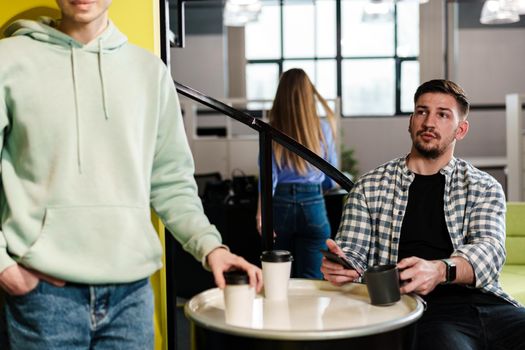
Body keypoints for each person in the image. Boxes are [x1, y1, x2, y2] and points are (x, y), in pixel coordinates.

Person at [0, 1, 262, 348]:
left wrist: (211, 247)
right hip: (42, 296)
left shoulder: (149, 71)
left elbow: (171, 181)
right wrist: (5, 269)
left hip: (131, 297)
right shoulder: (10, 59)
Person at [321, 79, 525, 349]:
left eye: (442, 114)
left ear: (460, 129)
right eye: (422, 111)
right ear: (411, 121)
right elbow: (354, 255)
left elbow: (489, 252)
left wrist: (440, 270)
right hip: (428, 312)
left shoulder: (483, 186)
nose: (429, 122)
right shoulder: (369, 187)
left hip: (492, 304)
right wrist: (343, 267)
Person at [256, 68, 338, 279]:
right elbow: (331, 176)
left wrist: (260, 212)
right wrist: (320, 189)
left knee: (278, 279)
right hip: (313, 204)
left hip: (278, 206)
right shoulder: (323, 129)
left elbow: (268, 176)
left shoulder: (270, 130)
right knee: (313, 283)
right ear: (308, 94)